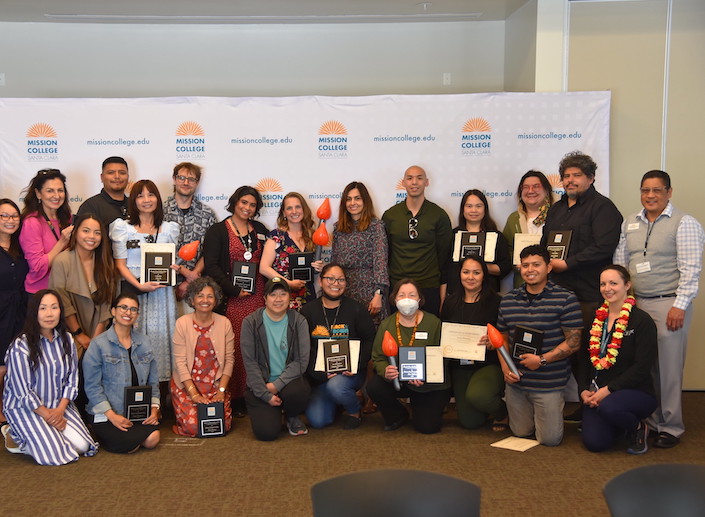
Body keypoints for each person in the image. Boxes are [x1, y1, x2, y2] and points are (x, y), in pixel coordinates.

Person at [613, 170, 705, 448]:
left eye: (656, 190)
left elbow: (691, 269)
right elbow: (621, 262)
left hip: (669, 303)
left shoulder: (684, 223)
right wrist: (625, 300)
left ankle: (671, 427)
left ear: (669, 192)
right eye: (645, 190)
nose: (650, 195)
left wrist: (680, 305)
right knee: (644, 366)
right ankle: (650, 421)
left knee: (668, 367)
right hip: (637, 303)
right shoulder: (630, 222)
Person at [540, 152, 623, 423]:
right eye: (566, 176)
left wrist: (569, 263)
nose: (570, 180)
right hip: (557, 292)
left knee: (590, 351)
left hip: (588, 294)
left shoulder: (603, 208)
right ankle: (581, 400)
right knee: (566, 350)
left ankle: (596, 402)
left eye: (577, 175)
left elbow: (603, 247)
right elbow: (546, 243)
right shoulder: (556, 208)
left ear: (591, 177)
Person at [495, 245, 583, 446]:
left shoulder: (566, 299)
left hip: (548, 383)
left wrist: (542, 360)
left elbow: (574, 342)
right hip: (517, 382)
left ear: (549, 267)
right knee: (520, 432)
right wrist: (505, 367)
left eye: (536, 264)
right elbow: (501, 336)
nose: (530, 269)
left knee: (549, 440)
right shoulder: (508, 300)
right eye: (525, 265)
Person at [1, 290, 97, 465]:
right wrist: (48, 416)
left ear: (61, 311)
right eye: (43, 308)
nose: (49, 313)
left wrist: (60, 411)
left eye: (54, 307)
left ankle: (46, 436)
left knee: (83, 446)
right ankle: (14, 434)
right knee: (54, 455)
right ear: (34, 312)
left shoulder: (67, 339)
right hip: (26, 408)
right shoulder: (20, 346)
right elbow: (23, 393)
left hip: (58, 405)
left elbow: (72, 380)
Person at [203, 186, 269, 417]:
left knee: (259, 346)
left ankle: (257, 391)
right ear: (234, 202)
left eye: (252, 205)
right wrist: (232, 289)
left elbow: (269, 260)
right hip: (232, 301)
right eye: (243, 203)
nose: (247, 208)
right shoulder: (217, 231)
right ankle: (237, 397)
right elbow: (211, 266)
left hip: (259, 297)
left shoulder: (260, 230)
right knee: (236, 348)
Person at [578, 265, 658, 454]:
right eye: (603, 284)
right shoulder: (595, 319)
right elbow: (583, 360)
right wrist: (583, 390)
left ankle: (638, 427)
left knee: (610, 407)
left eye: (614, 283)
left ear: (627, 285)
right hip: (598, 393)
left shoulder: (641, 321)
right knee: (595, 443)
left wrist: (608, 390)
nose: (608, 288)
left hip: (635, 392)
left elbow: (642, 367)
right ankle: (616, 424)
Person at [110, 180, 180, 388]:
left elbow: (171, 260)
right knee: (133, 338)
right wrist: (139, 286)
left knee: (161, 338)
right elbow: (120, 265)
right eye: (140, 195)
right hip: (133, 292)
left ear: (158, 199)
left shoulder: (168, 229)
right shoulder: (123, 228)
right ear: (133, 200)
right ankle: (135, 389)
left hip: (161, 294)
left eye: (151, 195)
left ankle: (161, 396)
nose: (146, 200)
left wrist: (174, 269)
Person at [368, 278, 451, 434]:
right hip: (398, 380)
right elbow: (378, 357)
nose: (407, 299)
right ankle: (399, 414)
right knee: (375, 387)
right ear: (394, 299)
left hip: (428, 384)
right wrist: (386, 370)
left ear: (419, 299)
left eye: (412, 295)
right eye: (402, 295)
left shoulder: (433, 323)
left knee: (428, 427)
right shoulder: (387, 324)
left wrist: (426, 375)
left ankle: (421, 408)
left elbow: (443, 357)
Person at [300, 263, 376, 429]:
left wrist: (355, 365)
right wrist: (320, 373)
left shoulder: (356, 309)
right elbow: (304, 347)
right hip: (320, 376)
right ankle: (338, 402)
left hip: (349, 374)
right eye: (331, 279)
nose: (336, 283)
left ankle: (354, 410)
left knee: (338, 386)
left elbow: (370, 339)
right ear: (320, 281)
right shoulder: (308, 311)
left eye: (341, 280)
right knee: (319, 421)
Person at [82, 293, 160, 453]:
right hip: (107, 413)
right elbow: (92, 387)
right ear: (113, 311)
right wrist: (112, 415)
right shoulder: (98, 344)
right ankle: (99, 432)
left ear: (137, 315)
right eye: (123, 307)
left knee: (153, 439)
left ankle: (126, 437)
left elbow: (153, 382)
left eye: (133, 309)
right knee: (131, 445)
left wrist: (154, 409)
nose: (128, 312)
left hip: (137, 411)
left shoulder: (144, 341)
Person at [440, 255, 506, 431]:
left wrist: (493, 342)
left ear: (484, 275)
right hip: (460, 366)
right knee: (470, 422)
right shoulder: (450, 302)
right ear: (459, 274)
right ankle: (482, 407)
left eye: (476, 272)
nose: (470, 277)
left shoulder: (497, 302)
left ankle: (503, 412)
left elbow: (505, 336)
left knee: (479, 396)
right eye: (466, 272)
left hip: (487, 364)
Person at [240, 278, 311, 441]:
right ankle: (274, 410)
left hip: (288, 382)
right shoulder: (250, 323)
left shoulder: (299, 321)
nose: (278, 299)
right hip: (260, 385)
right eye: (273, 295)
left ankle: (291, 415)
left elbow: (301, 361)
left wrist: (276, 385)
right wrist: (265, 394)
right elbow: (250, 363)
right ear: (265, 298)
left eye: (283, 294)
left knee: (299, 392)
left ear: (289, 298)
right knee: (267, 433)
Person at [382, 166, 452, 316]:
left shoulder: (439, 215)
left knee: (427, 333)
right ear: (404, 183)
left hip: (428, 286)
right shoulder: (390, 215)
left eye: (419, 178)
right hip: (398, 287)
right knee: (398, 334)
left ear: (426, 182)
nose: (414, 182)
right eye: (410, 178)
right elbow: (385, 254)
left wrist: (443, 292)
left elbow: (444, 257)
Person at [171, 277, 235, 437]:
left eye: (210, 296)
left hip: (215, 385)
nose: (205, 300)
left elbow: (229, 360)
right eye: (200, 296)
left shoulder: (225, 323)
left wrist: (221, 390)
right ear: (192, 299)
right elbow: (179, 362)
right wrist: (194, 394)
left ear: (216, 300)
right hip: (187, 385)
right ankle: (180, 422)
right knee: (193, 428)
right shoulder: (182, 323)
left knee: (222, 426)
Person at [49, 213, 117, 356]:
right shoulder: (62, 261)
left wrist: (96, 339)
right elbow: (62, 303)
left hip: (100, 333)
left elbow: (107, 305)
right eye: (86, 231)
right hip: (69, 333)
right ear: (75, 231)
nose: (91, 236)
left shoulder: (106, 262)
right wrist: (79, 334)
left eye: (97, 233)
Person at [331, 181, 389, 325]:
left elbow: (380, 261)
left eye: (357, 198)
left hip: (370, 291)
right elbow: (334, 262)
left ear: (365, 201)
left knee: (370, 333)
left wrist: (378, 294)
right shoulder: (338, 228)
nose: (352, 203)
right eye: (349, 199)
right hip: (344, 290)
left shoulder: (376, 226)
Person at [163, 162, 217, 312]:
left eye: (191, 179)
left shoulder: (207, 214)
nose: (186, 182)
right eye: (181, 178)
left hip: (195, 289)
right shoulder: (160, 211)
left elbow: (211, 251)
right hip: (162, 286)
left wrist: (190, 278)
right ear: (174, 179)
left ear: (197, 183)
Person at [260, 192, 323, 310]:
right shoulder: (276, 235)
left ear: (304, 209)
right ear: (284, 212)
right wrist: (288, 283)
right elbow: (264, 268)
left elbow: (312, 269)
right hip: (282, 297)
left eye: (298, 207)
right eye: (289, 208)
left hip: (308, 296)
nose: (294, 211)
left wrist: (318, 267)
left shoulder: (311, 236)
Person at [19, 169, 74, 294]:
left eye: (60, 190)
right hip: (40, 293)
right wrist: (61, 243)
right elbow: (37, 267)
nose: (57, 196)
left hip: (64, 290)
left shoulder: (67, 218)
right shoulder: (32, 223)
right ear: (38, 194)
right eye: (50, 191)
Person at [447, 189, 511, 295]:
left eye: (478, 206)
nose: (474, 210)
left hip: (488, 294)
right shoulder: (453, 236)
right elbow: (446, 267)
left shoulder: (496, 236)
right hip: (457, 294)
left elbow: (505, 267)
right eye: (469, 206)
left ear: (485, 209)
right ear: (463, 209)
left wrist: (481, 268)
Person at [0, 199, 28, 426]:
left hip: (20, 311)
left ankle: (11, 405)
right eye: (4, 216)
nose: (10, 220)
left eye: (14, 216)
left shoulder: (21, 246)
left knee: (14, 363)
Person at [503, 171, 555, 287]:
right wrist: (516, 262)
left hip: (553, 283)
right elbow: (506, 249)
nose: (530, 191)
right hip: (522, 284)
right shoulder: (513, 219)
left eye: (536, 186)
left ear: (546, 190)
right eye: (526, 187)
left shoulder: (558, 216)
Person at [76, 156, 130, 229]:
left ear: (128, 176)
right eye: (111, 173)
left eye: (122, 173)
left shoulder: (135, 205)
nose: (117, 176)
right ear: (102, 177)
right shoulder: (90, 206)